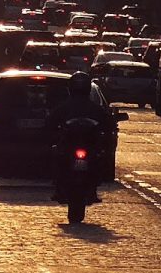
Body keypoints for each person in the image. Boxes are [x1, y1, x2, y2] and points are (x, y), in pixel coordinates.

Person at [46, 72, 114, 202]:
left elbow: (50, 121)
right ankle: (62, 187)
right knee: (58, 156)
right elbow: (51, 121)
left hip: (88, 146)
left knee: (98, 157)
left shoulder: (65, 106)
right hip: (71, 146)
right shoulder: (92, 108)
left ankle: (62, 188)